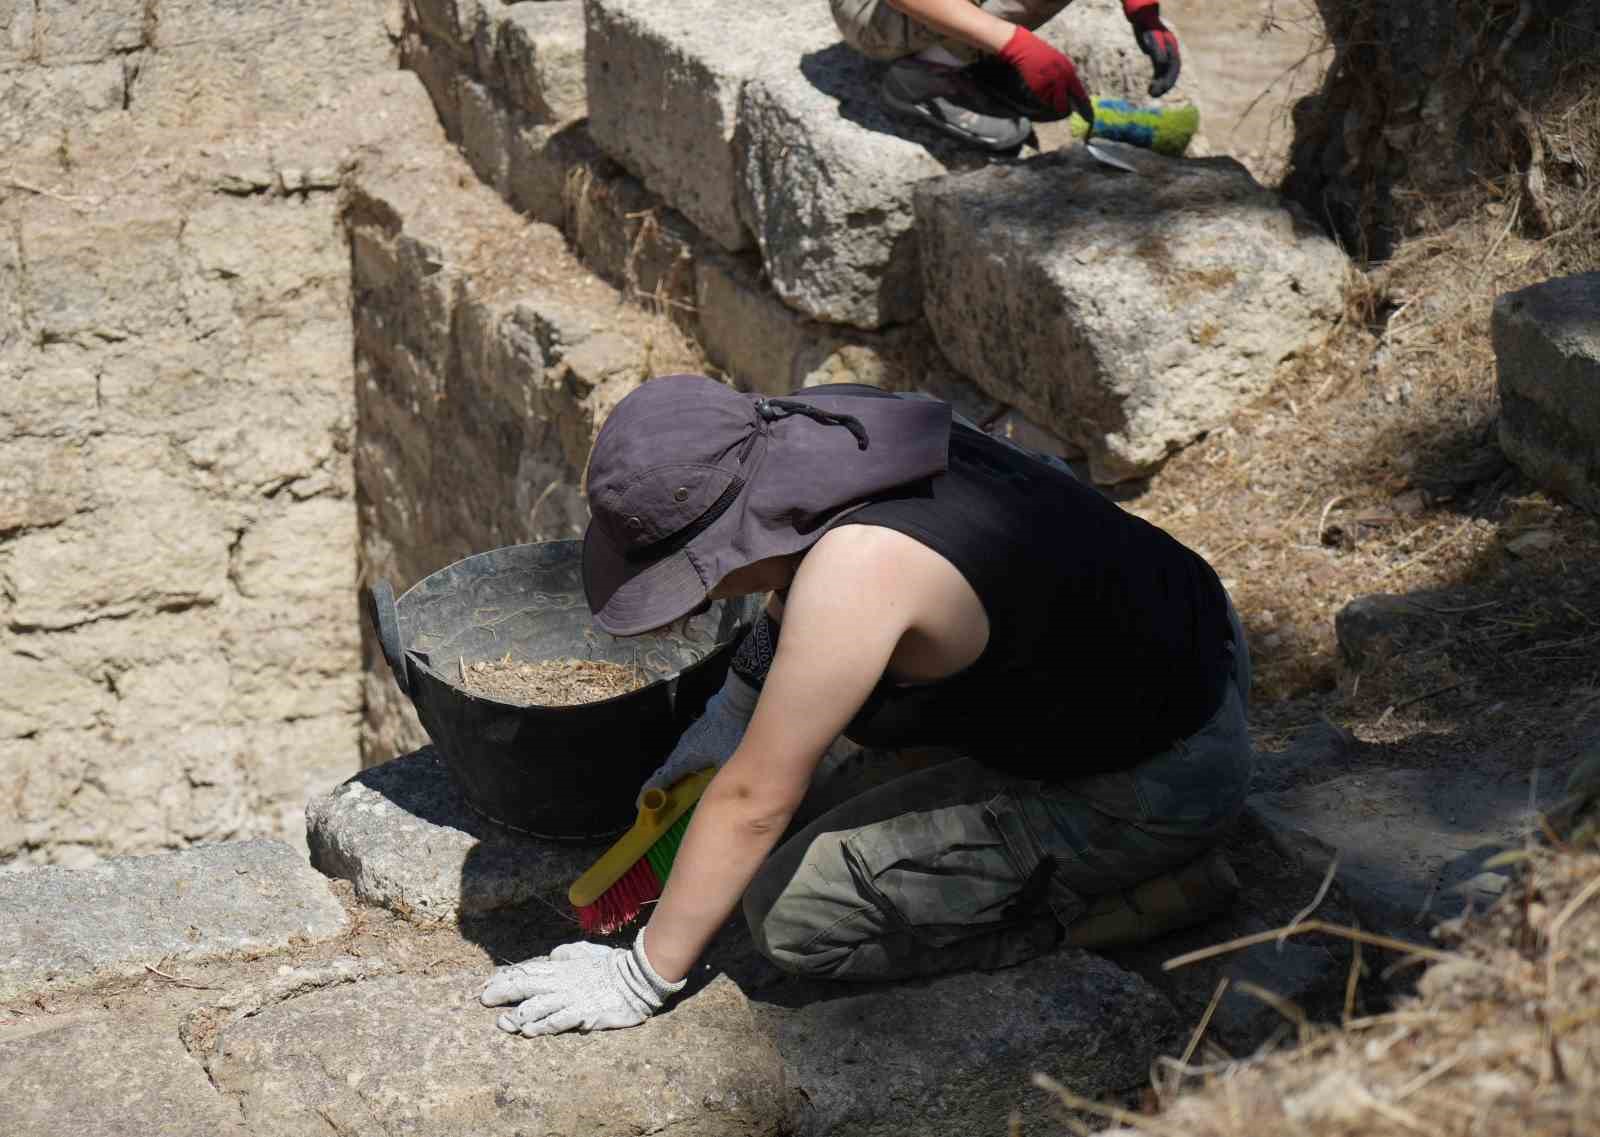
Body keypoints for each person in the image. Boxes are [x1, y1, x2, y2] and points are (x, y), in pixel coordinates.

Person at [480, 375, 1251, 1037]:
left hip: (1161, 773)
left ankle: (1131, 902)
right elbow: (784, 579)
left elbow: (753, 801)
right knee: (800, 813)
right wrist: (731, 712)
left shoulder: (859, 572)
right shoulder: (810, 427)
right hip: (1175, 643)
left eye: (691, 579)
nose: (691, 603)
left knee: (794, 914)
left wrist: (641, 977)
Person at [834, 0, 1181, 152]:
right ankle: (926, 75)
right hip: (870, 11)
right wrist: (1014, 44)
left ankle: (965, 52)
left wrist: (1142, 10)